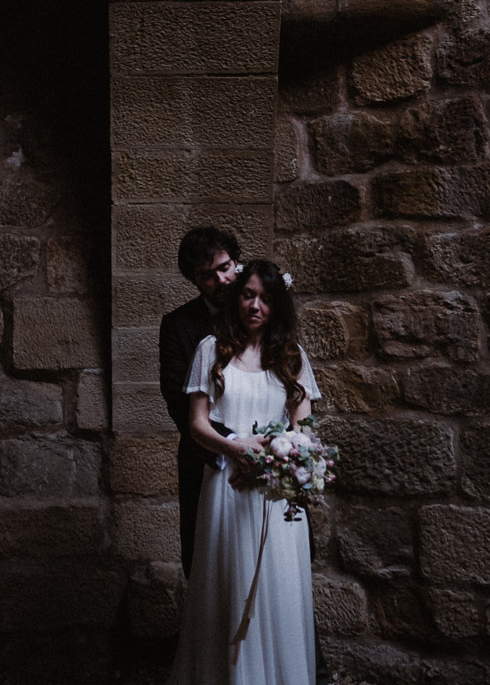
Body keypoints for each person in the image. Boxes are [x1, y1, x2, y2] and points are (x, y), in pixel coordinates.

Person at [170, 260, 322, 685]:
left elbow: (303, 430)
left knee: (279, 593)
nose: (255, 305)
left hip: (274, 495)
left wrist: (279, 456)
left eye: (266, 299)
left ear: (278, 305)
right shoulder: (210, 349)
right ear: (236, 298)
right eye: (248, 295)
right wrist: (235, 449)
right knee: (227, 588)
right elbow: (197, 424)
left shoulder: (292, 358)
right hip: (226, 489)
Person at [159, 226, 242, 578]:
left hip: (269, 449)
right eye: (207, 276)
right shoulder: (178, 326)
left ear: (237, 262)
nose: (221, 280)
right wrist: (233, 446)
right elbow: (179, 402)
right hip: (207, 457)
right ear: (194, 280)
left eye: (225, 267)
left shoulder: (263, 311)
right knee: (211, 567)